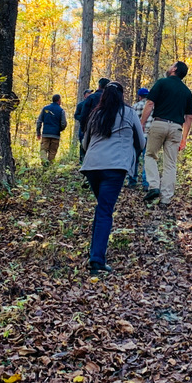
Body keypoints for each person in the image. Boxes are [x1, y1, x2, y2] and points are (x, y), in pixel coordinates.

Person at [80, 82, 145, 274]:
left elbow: (85, 144)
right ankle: (96, 259)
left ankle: (95, 253)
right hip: (115, 167)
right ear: (121, 95)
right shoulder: (129, 113)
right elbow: (141, 141)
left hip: (92, 167)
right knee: (104, 210)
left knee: (102, 208)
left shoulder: (95, 114)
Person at [140, 61, 192, 207]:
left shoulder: (162, 83)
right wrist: (184, 138)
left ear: (174, 69)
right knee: (170, 164)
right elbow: (189, 117)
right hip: (176, 128)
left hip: (159, 124)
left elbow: (150, 103)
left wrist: (141, 123)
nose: (169, 67)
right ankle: (165, 199)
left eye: (171, 65)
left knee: (150, 155)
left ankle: (154, 186)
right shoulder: (186, 91)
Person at [76, 79, 108, 162]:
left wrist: (84, 128)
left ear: (99, 86)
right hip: (105, 128)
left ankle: (88, 163)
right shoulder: (110, 99)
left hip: (91, 127)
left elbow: (84, 115)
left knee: (88, 146)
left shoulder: (91, 98)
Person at [35, 94, 67, 165]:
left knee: (43, 150)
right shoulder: (61, 111)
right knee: (52, 151)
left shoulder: (45, 109)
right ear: (59, 100)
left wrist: (38, 133)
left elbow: (39, 121)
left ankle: (44, 163)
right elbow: (63, 124)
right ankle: (49, 167)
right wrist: (59, 129)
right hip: (56, 135)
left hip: (45, 133)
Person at [130, 87, 152, 189]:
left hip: (137, 137)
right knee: (147, 159)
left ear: (139, 97)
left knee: (134, 158)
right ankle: (146, 183)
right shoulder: (153, 107)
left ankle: (132, 180)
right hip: (150, 136)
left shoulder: (134, 107)